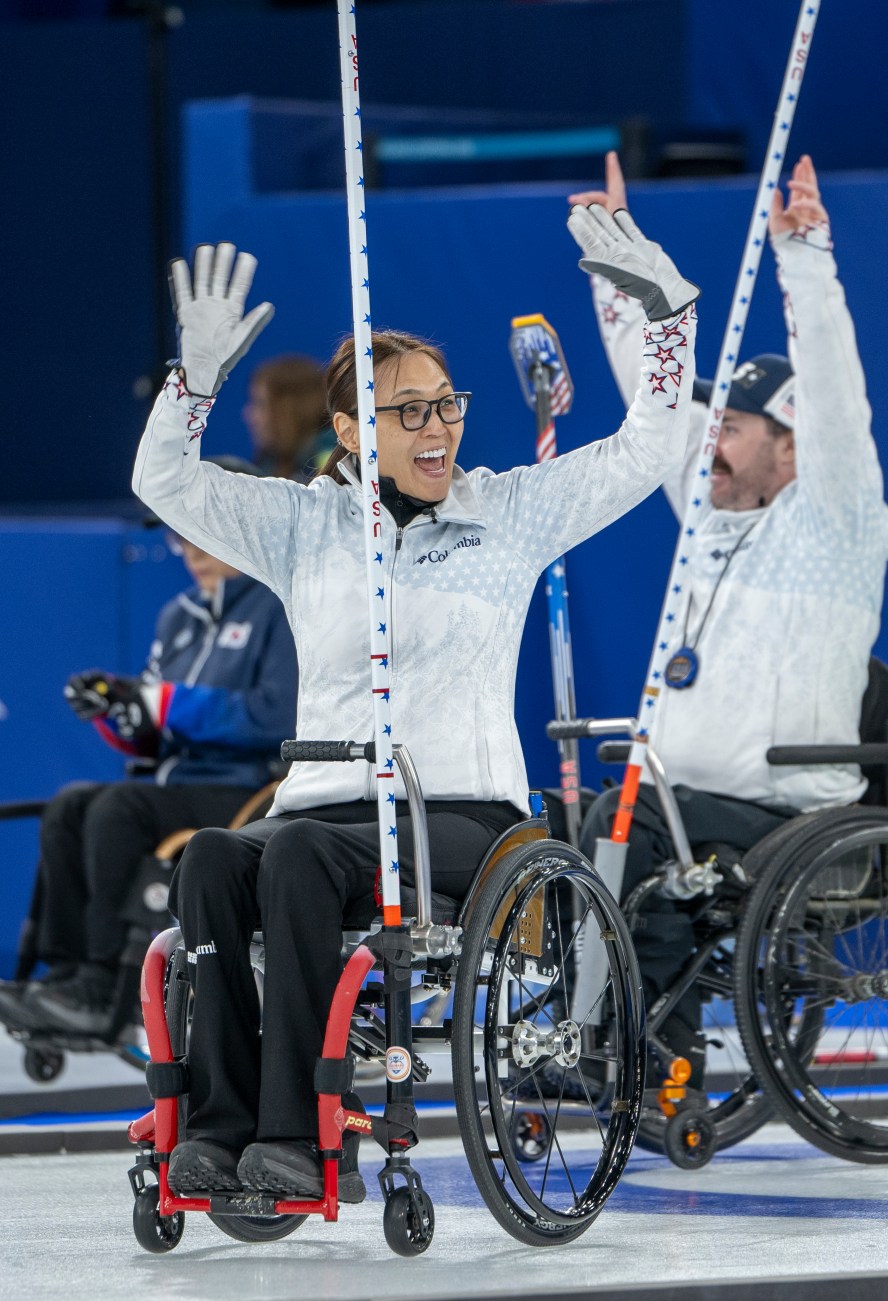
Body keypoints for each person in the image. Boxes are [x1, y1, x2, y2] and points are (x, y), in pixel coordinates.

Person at [130, 221, 699, 1202]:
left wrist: (666, 316)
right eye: (409, 412)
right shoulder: (305, 523)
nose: (439, 429)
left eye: (447, 405)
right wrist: (197, 382)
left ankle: (301, 1131)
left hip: (460, 816)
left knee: (300, 855)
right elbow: (162, 481)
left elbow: (651, 445)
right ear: (351, 432)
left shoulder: (507, 511)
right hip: (324, 803)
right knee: (218, 857)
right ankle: (218, 1127)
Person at [570, 153, 888, 1084]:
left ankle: (633, 1046)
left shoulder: (836, 523)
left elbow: (840, 401)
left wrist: (807, 260)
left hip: (792, 810)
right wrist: (617, 262)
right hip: (686, 797)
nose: (713, 438)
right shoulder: (710, 513)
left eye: (739, 426)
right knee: (590, 822)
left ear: (791, 446)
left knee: (625, 828)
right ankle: (597, 1028)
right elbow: (656, 390)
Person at [0, 459, 299, 1040]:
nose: (189, 546)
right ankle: (60, 975)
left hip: (248, 788)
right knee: (71, 804)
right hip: (177, 784)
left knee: (118, 809)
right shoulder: (177, 618)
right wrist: (120, 710)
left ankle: (104, 985)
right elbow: (151, 730)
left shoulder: (278, 607)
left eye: (202, 529)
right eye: (179, 531)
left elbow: (274, 716)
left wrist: (163, 702)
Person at [243, 354, 333, 480]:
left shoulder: (336, 461)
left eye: (261, 404)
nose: (249, 415)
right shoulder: (268, 461)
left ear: (292, 409)